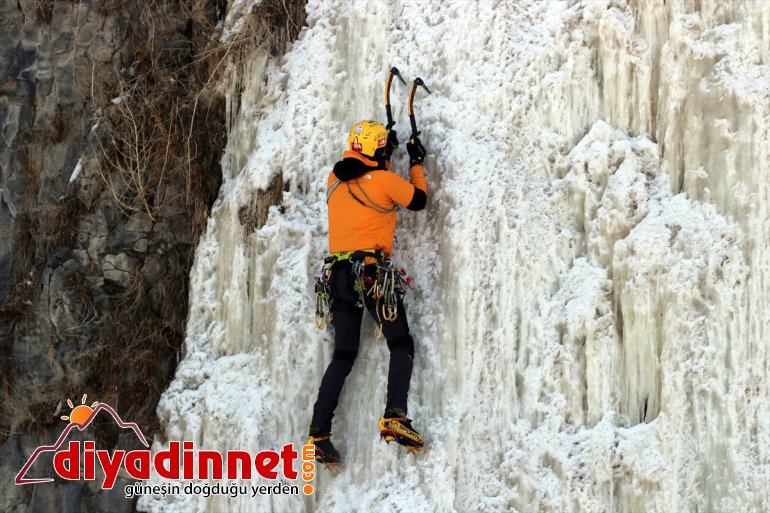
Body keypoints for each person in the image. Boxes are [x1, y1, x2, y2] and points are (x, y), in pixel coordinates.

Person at [308, 120, 428, 465]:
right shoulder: (387, 182)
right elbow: (418, 200)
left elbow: (361, 169)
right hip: (371, 273)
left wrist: (381, 151)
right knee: (401, 343)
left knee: (343, 355)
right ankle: (395, 416)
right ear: (378, 152)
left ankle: (318, 434)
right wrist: (415, 162)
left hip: (339, 276)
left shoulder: (333, 181)